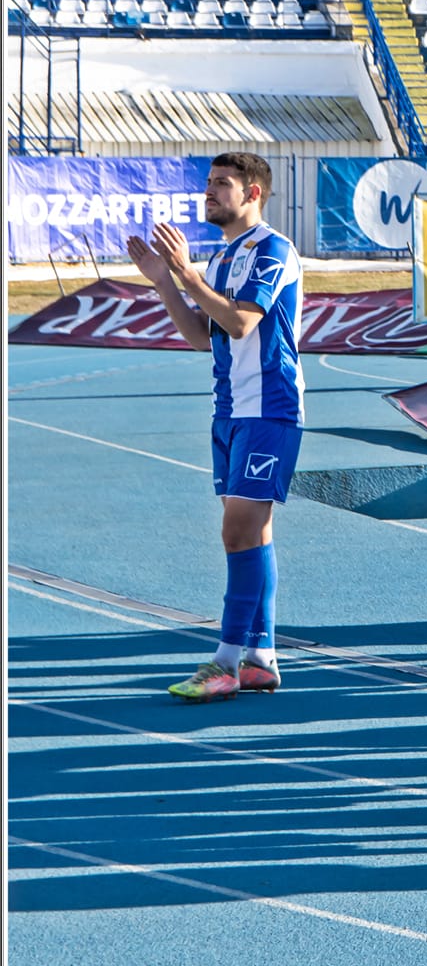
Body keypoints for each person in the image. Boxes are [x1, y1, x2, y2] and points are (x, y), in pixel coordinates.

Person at [126, 153, 303, 701]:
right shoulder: (226, 257)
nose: (209, 192)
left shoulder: (273, 249)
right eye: (208, 183)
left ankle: (225, 662)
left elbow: (242, 320)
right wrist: (165, 283)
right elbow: (206, 335)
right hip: (229, 411)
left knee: (236, 532)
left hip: (268, 411)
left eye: (221, 184)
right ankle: (261, 657)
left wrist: (188, 274)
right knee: (254, 533)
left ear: (253, 194)